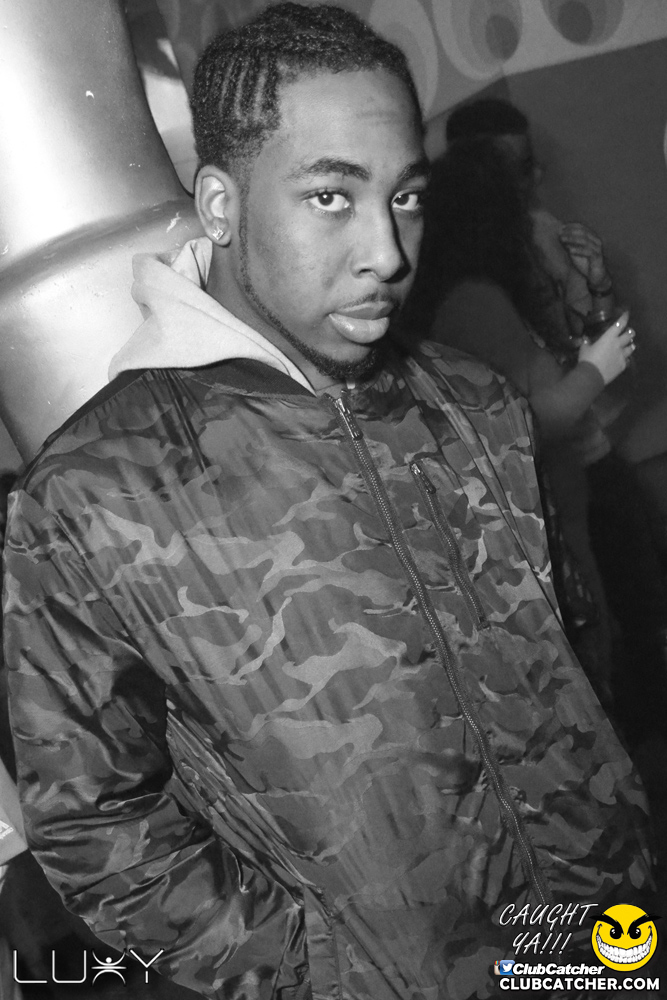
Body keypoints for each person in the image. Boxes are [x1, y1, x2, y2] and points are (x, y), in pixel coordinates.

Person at [3, 6, 655, 1000]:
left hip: (599, 938)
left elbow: (570, 640)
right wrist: (313, 968)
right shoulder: (93, 491)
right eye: (329, 197)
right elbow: (95, 824)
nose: (387, 252)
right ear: (219, 205)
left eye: (405, 197)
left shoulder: (471, 400)